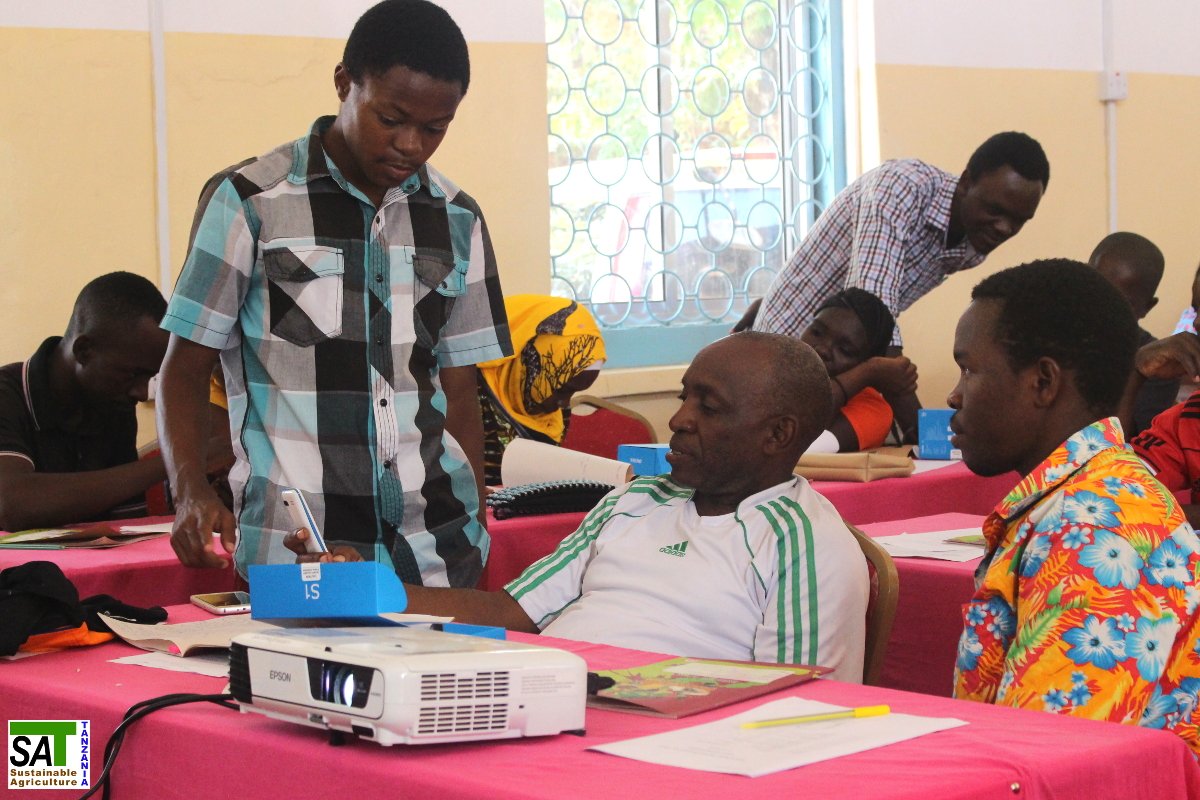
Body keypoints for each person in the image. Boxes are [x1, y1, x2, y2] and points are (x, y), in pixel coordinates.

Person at [157, 0, 511, 588]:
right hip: (300, 548)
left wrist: (472, 518)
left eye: (434, 128)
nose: (411, 145)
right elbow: (183, 369)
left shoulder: (458, 217)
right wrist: (189, 491)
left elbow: (459, 385)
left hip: (437, 549)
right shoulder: (249, 201)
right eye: (391, 118)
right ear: (344, 83)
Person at [290, 332, 871, 681]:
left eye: (709, 407)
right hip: (547, 696)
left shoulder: (805, 544)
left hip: (658, 737)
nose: (679, 419)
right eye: (683, 396)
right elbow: (514, 612)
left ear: (777, 435)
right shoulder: (638, 499)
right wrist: (366, 589)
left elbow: (797, 702)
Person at [946, 258, 1200, 754]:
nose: (954, 396)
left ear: (1043, 382)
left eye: (969, 369)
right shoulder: (1086, 495)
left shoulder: (1093, 536)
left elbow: (1043, 761)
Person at [751, 131, 1049, 346]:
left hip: (841, 350)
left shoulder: (973, 242)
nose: (1005, 229)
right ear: (966, 183)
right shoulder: (901, 187)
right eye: (996, 210)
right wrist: (906, 398)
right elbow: (871, 305)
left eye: (1019, 220)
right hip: (784, 342)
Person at [0, 272, 191, 530]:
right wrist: (175, 461)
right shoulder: (8, 395)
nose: (141, 392)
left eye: (150, 376)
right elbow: (10, 505)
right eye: (133, 374)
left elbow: (121, 526)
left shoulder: (112, 403)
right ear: (84, 351)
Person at [477, 295, 605, 485]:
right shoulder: (464, 390)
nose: (564, 403)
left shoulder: (556, 409)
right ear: (531, 359)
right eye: (561, 389)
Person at [798, 288, 916, 452]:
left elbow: (799, 449)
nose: (823, 349)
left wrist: (869, 371)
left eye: (845, 350)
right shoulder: (775, 370)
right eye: (816, 332)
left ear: (863, 362)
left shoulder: (873, 410)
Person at [1088, 231, 1175, 434]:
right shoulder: (1054, 333)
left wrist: (1136, 374)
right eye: (1096, 290)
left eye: (1120, 303)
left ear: (1147, 307)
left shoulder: (1156, 364)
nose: (1101, 308)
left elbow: (1125, 448)